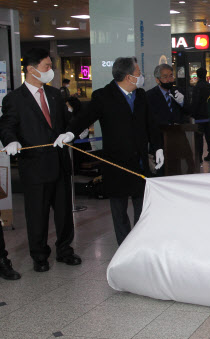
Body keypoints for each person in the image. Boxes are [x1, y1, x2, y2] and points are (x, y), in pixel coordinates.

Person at [56, 57, 164, 245]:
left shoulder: (141, 96)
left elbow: (151, 124)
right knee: (119, 209)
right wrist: (70, 133)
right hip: (116, 163)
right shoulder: (103, 96)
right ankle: (124, 245)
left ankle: (141, 243)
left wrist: (158, 147)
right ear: (128, 77)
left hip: (139, 162)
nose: (141, 76)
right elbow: (85, 117)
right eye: (138, 73)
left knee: (142, 206)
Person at [0, 48, 80, 272]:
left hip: (60, 164)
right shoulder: (14, 99)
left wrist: (71, 132)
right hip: (35, 166)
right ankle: (40, 255)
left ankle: (65, 250)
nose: (50, 71)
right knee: (37, 214)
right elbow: (6, 125)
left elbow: (67, 121)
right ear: (31, 70)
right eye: (46, 66)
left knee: (64, 213)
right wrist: (10, 141)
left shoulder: (55, 95)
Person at [191, 67, 210, 162]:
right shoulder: (209, 87)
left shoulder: (197, 87)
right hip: (209, 114)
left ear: (197, 75)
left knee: (199, 137)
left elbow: (195, 102)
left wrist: (192, 113)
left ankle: (199, 156)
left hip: (199, 116)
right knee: (209, 136)